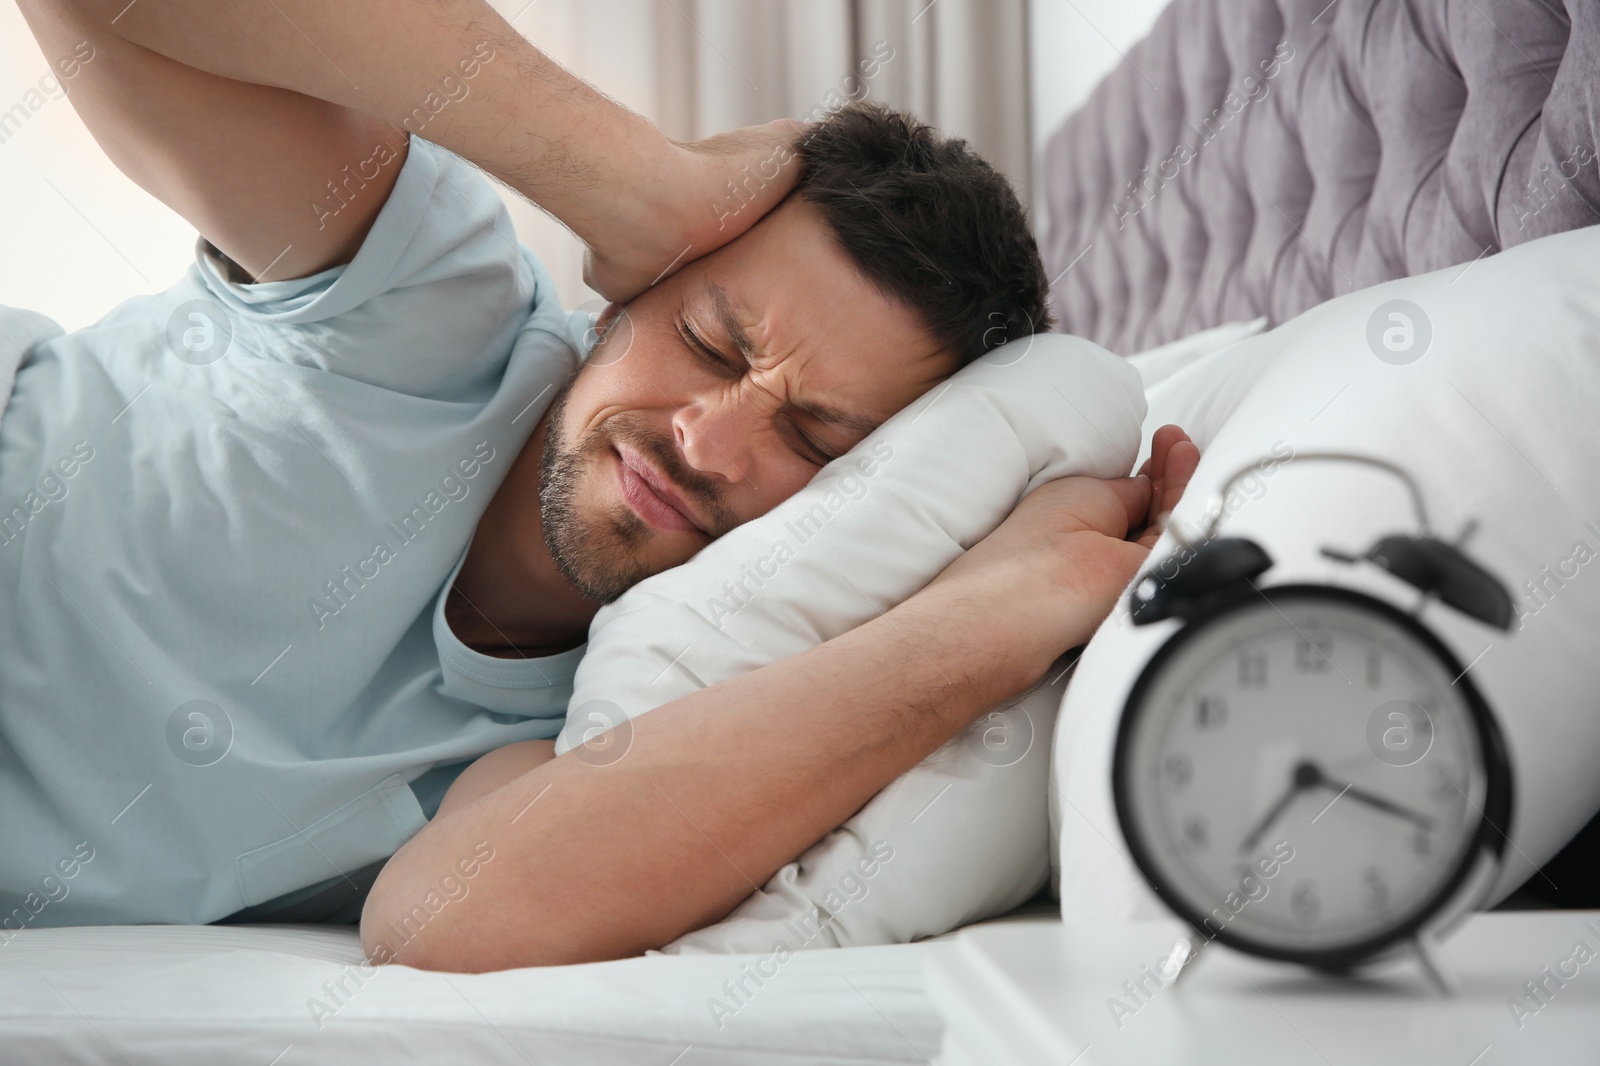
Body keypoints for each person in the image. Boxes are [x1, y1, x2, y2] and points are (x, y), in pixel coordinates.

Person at [4, 0, 1198, 970]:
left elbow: (446, 920)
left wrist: (989, 619)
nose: (708, 443)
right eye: (712, 342)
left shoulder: (634, 699)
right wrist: (641, 185)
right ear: (630, 289)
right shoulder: (425, 311)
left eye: (822, 444)